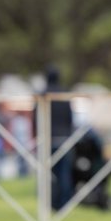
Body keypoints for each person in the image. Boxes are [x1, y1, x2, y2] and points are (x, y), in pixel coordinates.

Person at [44, 65, 76, 211]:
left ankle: (50, 203)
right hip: (64, 138)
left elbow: (36, 119)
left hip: (47, 139)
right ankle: (63, 203)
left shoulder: (43, 94)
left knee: (47, 174)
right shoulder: (65, 94)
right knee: (64, 174)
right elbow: (70, 118)